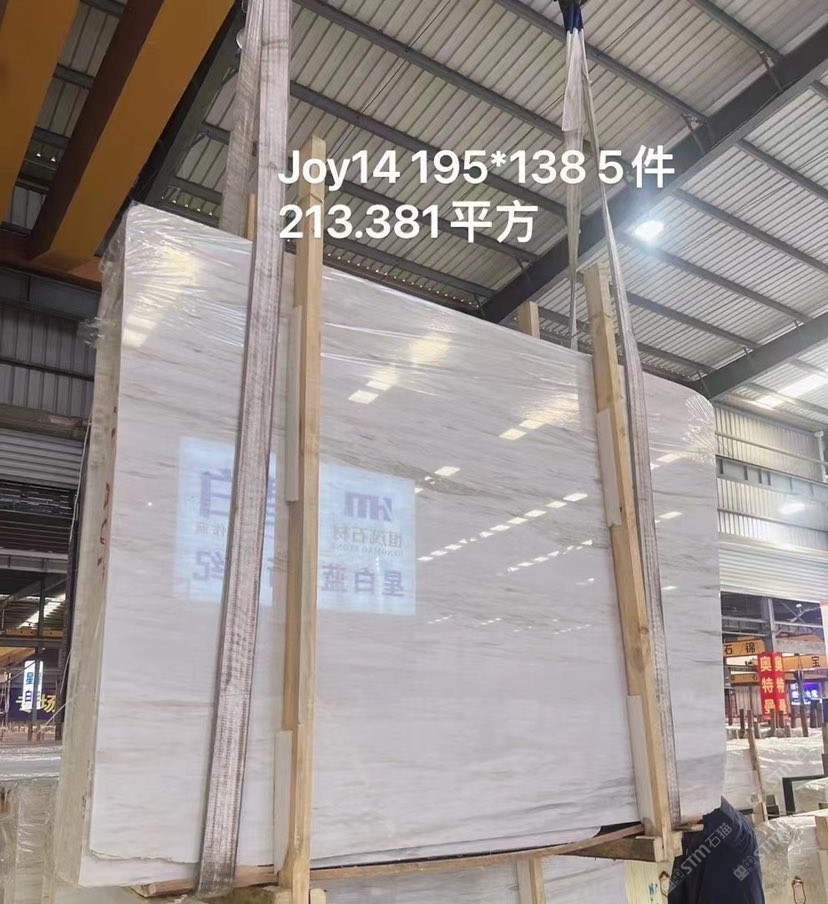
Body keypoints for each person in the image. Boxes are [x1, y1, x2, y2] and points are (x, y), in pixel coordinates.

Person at [668, 798, 764, 903]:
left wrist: (681, 845)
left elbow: (677, 893)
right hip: (699, 812)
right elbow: (741, 834)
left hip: (683, 826)